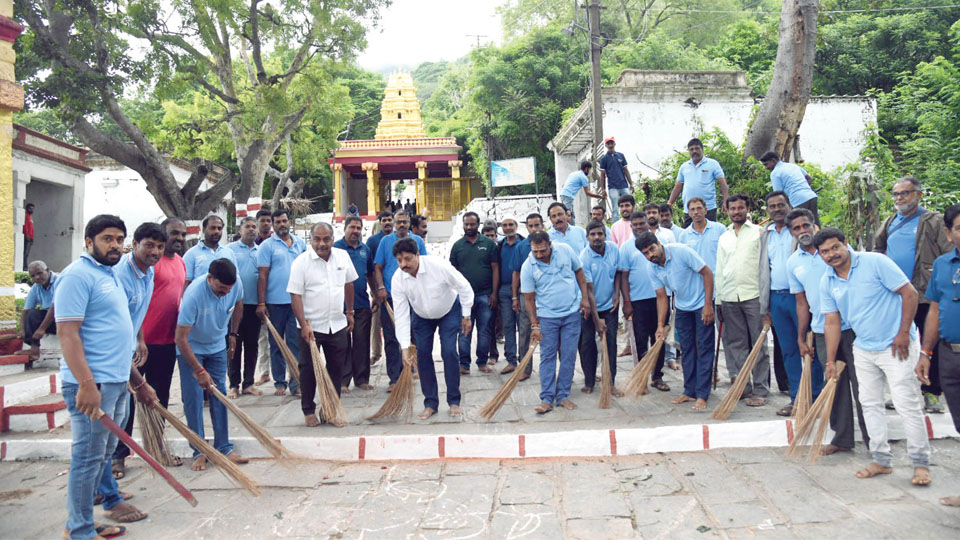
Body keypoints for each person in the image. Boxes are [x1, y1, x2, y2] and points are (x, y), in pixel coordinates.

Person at [56, 215, 156, 539]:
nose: (115, 245)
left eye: (118, 239)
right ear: (88, 242)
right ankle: (80, 530)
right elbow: (68, 334)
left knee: (103, 453)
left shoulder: (110, 274)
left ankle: (84, 520)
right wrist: (86, 384)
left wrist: (132, 378)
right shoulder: (77, 276)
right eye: (107, 239)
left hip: (115, 381)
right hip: (91, 383)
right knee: (87, 458)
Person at [816, 228, 931, 487]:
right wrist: (830, 361)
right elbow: (832, 322)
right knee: (869, 404)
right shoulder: (827, 280)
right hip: (864, 348)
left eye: (835, 248)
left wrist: (903, 333)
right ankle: (881, 460)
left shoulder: (875, 262)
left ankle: (921, 463)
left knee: (906, 404)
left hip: (897, 345)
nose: (831, 255)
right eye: (825, 252)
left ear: (846, 243)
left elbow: (909, 293)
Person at [787, 208, 868, 456]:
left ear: (815, 225)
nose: (802, 231)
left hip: (854, 328)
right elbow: (802, 303)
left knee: (864, 384)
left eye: (805, 225)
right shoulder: (793, 263)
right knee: (834, 385)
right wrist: (801, 337)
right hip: (822, 331)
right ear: (792, 232)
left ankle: (874, 437)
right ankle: (842, 439)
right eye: (796, 228)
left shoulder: (837, 251)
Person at [874, 176, 953, 413]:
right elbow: (877, 249)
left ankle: (932, 393)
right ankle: (902, 391)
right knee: (900, 344)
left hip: (926, 294)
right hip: (896, 297)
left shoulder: (933, 220)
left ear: (918, 194)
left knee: (931, 345)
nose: (899, 198)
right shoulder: (890, 222)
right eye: (896, 194)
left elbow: (949, 253)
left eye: (905, 193)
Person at [105, 222, 166, 482]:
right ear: (136, 244)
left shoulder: (149, 272)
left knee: (122, 413)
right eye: (149, 245)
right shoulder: (119, 275)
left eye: (159, 247)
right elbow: (113, 329)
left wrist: (139, 338)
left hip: (128, 349)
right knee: (107, 424)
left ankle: (107, 489)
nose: (155, 252)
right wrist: (139, 381)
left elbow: (136, 311)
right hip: (109, 358)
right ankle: (108, 470)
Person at [176, 258, 249, 471]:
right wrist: (198, 370)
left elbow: (239, 305)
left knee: (220, 395)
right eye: (220, 289)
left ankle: (224, 447)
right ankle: (200, 450)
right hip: (191, 348)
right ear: (210, 278)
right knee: (194, 399)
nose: (225, 293)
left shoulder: (235, 286)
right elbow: (180, 338)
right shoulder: (194, 295)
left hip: (217, 346)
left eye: (228, 289)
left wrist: (233, 334)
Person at [392, 237, 475, 419]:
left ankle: (454, 401)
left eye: (408, 259)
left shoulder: (438, 266)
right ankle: (430, 403)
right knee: (422, 355)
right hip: (421, 316)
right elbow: (401, 314)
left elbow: (465, 287)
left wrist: (466, 315)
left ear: (418, 255)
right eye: (399, 260)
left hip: (448, 311)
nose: (404, 264)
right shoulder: (397, 279)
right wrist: (405, 347)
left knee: (449, 352)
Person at [289, 223, 356, 427]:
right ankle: (308, 410)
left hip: (337, 323)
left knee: (337, 369)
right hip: (311, 326)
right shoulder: (301, 262)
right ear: (311, 240)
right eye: (317, 239)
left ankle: (330, 410)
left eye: (326, 239)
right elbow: (295, 295)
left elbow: (349, 284)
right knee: (308, 369)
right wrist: (303, 324)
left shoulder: (342, 257)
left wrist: (350, 312)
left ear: (332, 239)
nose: (322, 243)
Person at [639, 232, 716, 410]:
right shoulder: (652, 267)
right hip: (682, 309)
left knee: (704, 348)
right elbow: (661, 297)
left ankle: (703, 395)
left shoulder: (681, 252)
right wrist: (660, 325)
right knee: (687, 349)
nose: (651, 255)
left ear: (659, 243)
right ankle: (689, 391)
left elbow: (707, 273)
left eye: (652, 249)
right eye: (646, 253)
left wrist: (708, 305)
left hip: (701, 305)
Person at [761, 191, 821, 417]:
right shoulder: (765, 235)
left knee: (810, 347)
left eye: (781, 204)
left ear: (788, 205)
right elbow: (763, 269)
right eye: (772, 206)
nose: (777, 209)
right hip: (778, 298)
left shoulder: (802, 232)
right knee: (788, 350)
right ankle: (796, 398)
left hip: (803, 298)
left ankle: (815, 397)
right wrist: (765, 306)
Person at [916, 204, 960, 507]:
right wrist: (926, 352)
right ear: (949, 233)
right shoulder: (944, 265)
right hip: (949, 355)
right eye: (959, 228)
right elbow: (934, 309)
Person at [521, 231, 591, 414]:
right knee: (547, 357)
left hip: (571, 314)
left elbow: (580, 273)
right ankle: (546, 398)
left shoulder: (565, 250)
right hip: (546, 317)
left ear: (550, 244)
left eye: (542, 250)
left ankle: (562, 396)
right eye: (535, 251)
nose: (539, 255)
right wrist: (535, 325)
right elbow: (529, 299)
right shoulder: (528, 266)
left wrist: (584, 298)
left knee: (568, 356)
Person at [715, 194, 770, 407]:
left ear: (747, 209)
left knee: (758, 342)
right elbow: (720, 269)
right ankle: (741, 385)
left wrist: (766, 299)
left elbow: (765, 266)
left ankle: (761, 388)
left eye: (740, 208)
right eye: (733, 209)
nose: (736, 212)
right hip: (729, 296)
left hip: (753, 295)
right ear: (727, 211)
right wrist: (719, 299)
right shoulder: (724, 237)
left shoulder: (759, 233)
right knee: (734, 343)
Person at [374, 210, 428, 387]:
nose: (401, 225)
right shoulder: (385, 241)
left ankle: (413, 368)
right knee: (391, 337)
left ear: (409, 224)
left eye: (405, 222)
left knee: (415, 334)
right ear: (394, 223)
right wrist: (380, 288)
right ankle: (395, 378)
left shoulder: (418, 241)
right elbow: (378, 267)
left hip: (413, 297)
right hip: (390, 297)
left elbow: (425, 265)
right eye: (399, 222)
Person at [257, 208, 306, 396]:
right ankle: (279, 382)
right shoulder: (267, 246)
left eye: (284, 221)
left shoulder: (300, 244)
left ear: (289, 221)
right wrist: (261, 304)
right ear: (273, 224)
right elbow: (262, 276)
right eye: (277, 222)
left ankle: (296, 383)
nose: (281, 225)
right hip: (274, 303)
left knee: (295, 343)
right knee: (276, 343)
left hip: (296, 302)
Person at [620, 211, 671, 390]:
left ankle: (657, 377)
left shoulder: (659, 244)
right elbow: (623, 277)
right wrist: (626, 302)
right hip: (638, 301)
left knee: (659, 338)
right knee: (640, 340)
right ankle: (641, 376)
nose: (639, 227)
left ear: (647, 224)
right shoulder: (626, 247)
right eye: (635, 225)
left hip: (662, 298)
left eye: (642, 223)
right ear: (631, 226)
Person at [140, 218, 187, 410]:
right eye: (174, 233)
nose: (180, 238)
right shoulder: (150, 265)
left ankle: (156, 439)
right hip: (141, 342)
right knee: (130, 398)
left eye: (183, 234)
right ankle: (124, 441)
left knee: (160, 398)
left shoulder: (181, 263)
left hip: (167, 342)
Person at [450, 212, 499, 374]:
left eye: (472, 224)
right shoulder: (457, 246)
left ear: (478, 225)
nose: (469, 227)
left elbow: (495, 269)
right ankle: (464, 364)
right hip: (464, 298)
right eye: (466, 224)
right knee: (464, 330)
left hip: (485, 295)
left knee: (484, 330)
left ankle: (482, 362)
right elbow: (452, 272)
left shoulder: (489, 244)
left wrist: (494, 293)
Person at [578, 221, 622, 395]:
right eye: (593, 234)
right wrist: (596, 320)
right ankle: (589, 381)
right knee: (588, 344)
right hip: (589, 306)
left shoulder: (613, 249)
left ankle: (610, 383)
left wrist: (617, 293)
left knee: (611, 343)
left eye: (600, 234)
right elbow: (589, 290)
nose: (597, 237)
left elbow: (618, 273)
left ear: (605, 235)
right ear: (587, 237)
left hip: (610, 306)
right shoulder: (584, 257)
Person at [334, 216, 377, 392]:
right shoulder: (335, 248)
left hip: (361, 304)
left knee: (362, 343)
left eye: (359, 228)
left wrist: (374, 294)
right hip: (339, 306)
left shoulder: (365, 249)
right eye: (352, 227)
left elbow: (370, 275)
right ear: (345, 229)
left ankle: (361, 379)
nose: (355, 231)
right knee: (342, 344)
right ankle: (343, 381)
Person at [226, 217, 263, 398]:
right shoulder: (229, 250)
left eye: (253, 227)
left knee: (252, 345)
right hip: (233, 307)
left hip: (254, 306)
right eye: (247, 226)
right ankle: (234, 384)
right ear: (240, 230)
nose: (251, 230)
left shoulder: (260, 251)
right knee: (234, 345)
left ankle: (248, 383)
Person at [509, 213, 545, 383]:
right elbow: (516, 272)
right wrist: (515, 297)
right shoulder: (521, 246)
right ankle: (524, 368)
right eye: (530, 226)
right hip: (526, 296)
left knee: (551, 332)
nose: (534, 229)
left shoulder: (550, 244)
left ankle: (554, 368)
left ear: (542, 225)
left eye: (537, 225)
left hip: (546, 295)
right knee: (524, 331)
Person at [667, 138, 729, 227]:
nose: (694, 151)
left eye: (697, 148)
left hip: (708, 208)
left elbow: (722, 183)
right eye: (691, 149)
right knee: (688, 236)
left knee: (709, 233)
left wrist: (726, 200)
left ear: (702, 149)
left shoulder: (712, 164)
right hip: (689, 209)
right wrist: (669, 203)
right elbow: (678, 187)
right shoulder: (684, 167)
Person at [497, 216, 527, 375]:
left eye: (511, 224)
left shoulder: (523, 244)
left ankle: (524, 362)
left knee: (523, 327)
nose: (508, 227)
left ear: (516, 225)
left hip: (522, 290)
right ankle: (511, 361)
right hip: (504, 291)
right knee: (508, 325)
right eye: (505, 225)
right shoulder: (500, 245)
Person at [759, 152, 819, 223]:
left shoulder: (775, 173)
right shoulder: (792, 166)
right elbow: (809, 178)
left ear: (773, 161)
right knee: (814, 223)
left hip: (797, 201)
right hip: (811, 196)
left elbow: (778, 196)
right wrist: (804, 190)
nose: (766, 168)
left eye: (766, 164)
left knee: (797, 224)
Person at [367, 211, 394, 366]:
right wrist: (375, 290)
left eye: (389, 219)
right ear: (380, 223)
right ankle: (376, 353)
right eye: (384, 220)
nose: (387, 222)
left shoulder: (397, 239)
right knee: (376, 322)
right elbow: (372, 268)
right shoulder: (373, 241)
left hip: (394, 290)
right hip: (378, 289)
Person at [182, 215, 236, 290]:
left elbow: (235, 281)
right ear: (204, 230)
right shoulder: (191, 254)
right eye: (213, 228)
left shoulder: (229, 253)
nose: (217, 231)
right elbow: (185, 283)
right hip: (200, 300)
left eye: (219, 228)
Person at [253, 208, 274, 386]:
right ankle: (264, 372)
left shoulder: (276, 242)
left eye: (269, 220)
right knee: (262, 338)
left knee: (281, 337)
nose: (266, 223)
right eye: (263, 220)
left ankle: (286, 373)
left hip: (275, 297)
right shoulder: (252, 243)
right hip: (258, 298)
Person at [19, 261, 57, 360]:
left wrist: (41, 329)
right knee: (32, 314)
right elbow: (26, 310)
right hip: (51, 320)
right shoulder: (36, 287)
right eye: (33, 276)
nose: (37, 277)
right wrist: (22, 330)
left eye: (40, 273)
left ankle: (34, 349)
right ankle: (34, 349)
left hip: (66, 319)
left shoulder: (59, 282)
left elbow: (55, 308)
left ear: (48, 271)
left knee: (37, 315)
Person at [679, 197, 725, 273]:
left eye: (699, 208)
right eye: (692, 209)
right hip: (695, 281)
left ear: (705, 211)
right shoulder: (684, 236)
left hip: (718, 279)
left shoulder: (719, 229)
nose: (696, 212)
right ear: (689, 213)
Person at [598, 137, 634, 215]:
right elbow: (602, 175)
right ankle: (615, 226)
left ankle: (632, 223)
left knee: (630, 205)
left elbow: (626, 170)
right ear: (606, 145)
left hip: (624, 185)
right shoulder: (604, 159)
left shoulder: (621, 155)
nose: (610, 145)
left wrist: (631, 184)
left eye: (611, 143)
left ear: (614, 144)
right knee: (615, 208)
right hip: (612, 187)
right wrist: (603, 189)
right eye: (608, 143)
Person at [560, 161, 603, 225]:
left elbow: (564, 185)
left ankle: (572, 227)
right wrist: (600, 196)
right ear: (586, 169)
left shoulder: (574, 173)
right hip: (568, 196)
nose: (589, 172)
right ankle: (570, 230)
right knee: (568, 215)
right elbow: (587, 192)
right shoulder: (583, 177)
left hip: (564, 194)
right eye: (589, 169)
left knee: (571, 215)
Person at [482, 224, 502, 363]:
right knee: (489, 323)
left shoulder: (500, 248)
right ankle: (492, 354)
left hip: (503, 290)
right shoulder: (480, 250)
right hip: (487, 291)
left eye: (492, 235)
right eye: (487, 235)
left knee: (501, 323)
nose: (490, 238)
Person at [22, 202, 35, 271]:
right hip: (27, 237)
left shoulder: (30, 217)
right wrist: (27, 235)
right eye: (30, 208)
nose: (31, 210)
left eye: (32, 209)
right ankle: (24, 267)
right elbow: (25, 226)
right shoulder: (26, 216)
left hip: (30, 237)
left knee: (27, 253)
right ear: (27, 209)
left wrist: (32, 237)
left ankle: (25, 266)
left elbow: (31, 228)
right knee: (25, 253)